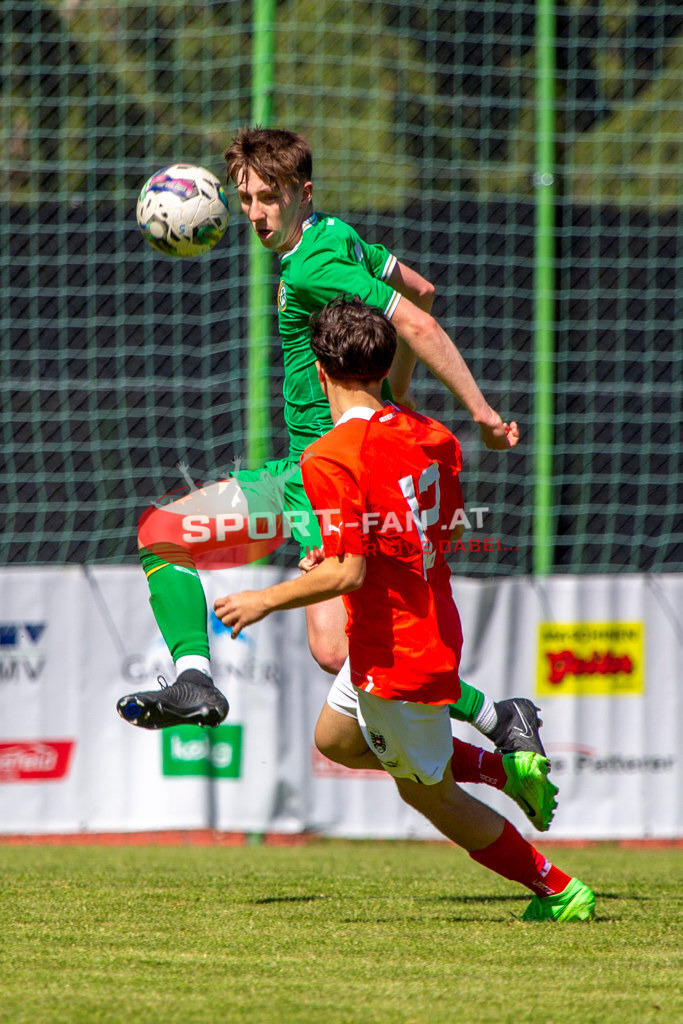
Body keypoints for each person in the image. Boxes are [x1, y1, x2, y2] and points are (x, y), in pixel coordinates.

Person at [117, 126, 542, 768]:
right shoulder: (334, 235)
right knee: (185, 546)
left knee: (328, 643)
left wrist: (481, 414)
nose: (255, 212)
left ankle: (494, 720)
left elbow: (418, 320)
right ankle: (197, 679)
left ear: (300, 191)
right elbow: (421, 289)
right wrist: (391, 400)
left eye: (268, 197)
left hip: (334, 476)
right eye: (245, 198)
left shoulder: (314, 264)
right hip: (307, 475)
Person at [214, 297, 595, 921]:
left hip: (396, 654)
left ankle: (558, 889)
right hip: (425, 617)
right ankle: (505, 766)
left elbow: (352, 568)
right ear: (386, 368)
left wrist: (265, 598)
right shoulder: (433, 436)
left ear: (318, 372)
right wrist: (345, 558)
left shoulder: (329, 457)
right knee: (335, 740)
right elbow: (423, 533)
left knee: (433, 798)